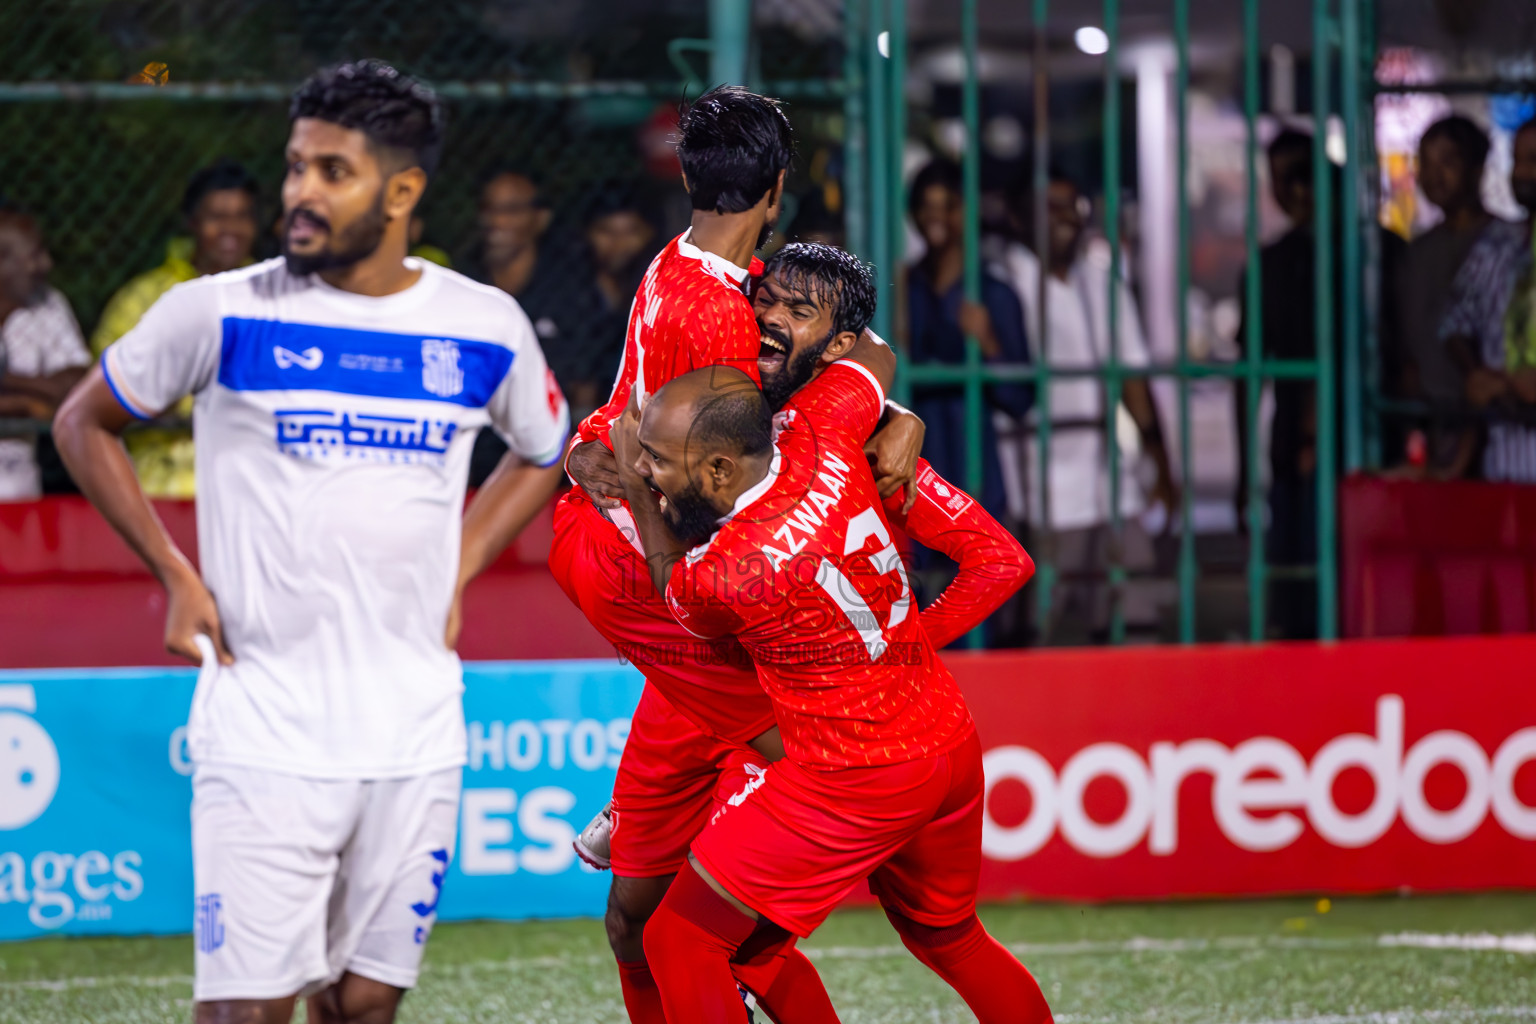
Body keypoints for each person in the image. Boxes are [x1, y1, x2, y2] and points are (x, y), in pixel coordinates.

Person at [53, 60, 568, 1024]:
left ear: (403, 190)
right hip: (263, 728)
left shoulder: (482, 324)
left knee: (364, 1002)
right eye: (295, 167)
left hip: (415, 727)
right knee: (248, 1011)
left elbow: (545, 448)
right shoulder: (219, 309)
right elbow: (84, 423)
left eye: (333, 172)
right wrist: (172, 570)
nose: (299, 194)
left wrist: (459, 560)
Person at [550, 87, 924, 1024]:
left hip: (623, 564)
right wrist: (880, 404)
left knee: (640, 921)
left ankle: (663, 801)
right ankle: (879, 818)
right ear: (780, 187)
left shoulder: (688, 272)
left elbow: (848, 353)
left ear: (683, 177)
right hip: (647, 566)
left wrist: (883, 393)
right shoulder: (728, 328)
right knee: (823, 764)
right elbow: (732, 483)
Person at [610, 362, 1051, 1024]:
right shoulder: (825, 429)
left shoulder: (726, 575)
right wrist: (904, 417)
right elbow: (869, 352)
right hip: (947, 742)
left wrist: (638, 499)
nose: (648, 471)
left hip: (852, 774)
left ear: (723, 470)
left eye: (660, 461)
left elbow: (671, 585)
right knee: (951, 938)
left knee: (681, 938)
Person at [998, 169, 1175, 644]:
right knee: (1033, 647)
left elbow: (1132, 380)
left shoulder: (1102, 283)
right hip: (1033, 495)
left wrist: (1161, 464)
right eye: (1048, 207)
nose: (1065, 219)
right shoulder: (1001, 283)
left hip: (1111, 489)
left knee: (1136, 636)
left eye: (1072, 207)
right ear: (1019, 218)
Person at [90, 158, 262, 497]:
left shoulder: (274, 295)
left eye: (242, 216)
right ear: (192, 222)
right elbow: (110, 392)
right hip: (158, 488)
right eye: (217, 217)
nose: (231, 229)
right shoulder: (142, 298)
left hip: (252, 486)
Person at [907, 158, 1034, 523]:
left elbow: (1021, 398)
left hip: (976, 478)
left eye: (949, 206)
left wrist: (989, 342)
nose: (936, 218)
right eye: (925, 207)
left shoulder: (994, 295)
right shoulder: (902, 291)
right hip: (912, 477)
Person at [1394, 116, 1499, 477]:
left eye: (1448, 162)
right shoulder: (1418, 253)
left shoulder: (1504, 245)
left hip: (1497, 424)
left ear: (1477, 169)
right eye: (1426, 163)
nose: (1434, 176)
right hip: (1434, 426)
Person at [1442, 117, 1536, 482]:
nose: (1523, 172)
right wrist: (1476, 375)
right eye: (1517, 161)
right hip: (1503, 464)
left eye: (1533, 159)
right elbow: (1455, 322)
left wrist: (1513, 384)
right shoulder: (1497, 242)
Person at [0, 208, 90, 500]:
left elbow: (79, 384)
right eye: (33, 256)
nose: (46, 264)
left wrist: (9, 381)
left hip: (21, 490)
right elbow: (44, 404)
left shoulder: (48, 305)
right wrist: (26, 406)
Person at [563, 186, 659, 421]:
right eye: (606, 231)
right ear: (587, 233)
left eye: (631, 231)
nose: (619, 243)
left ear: (649, 233)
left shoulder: (660, 293)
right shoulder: (568, 291)